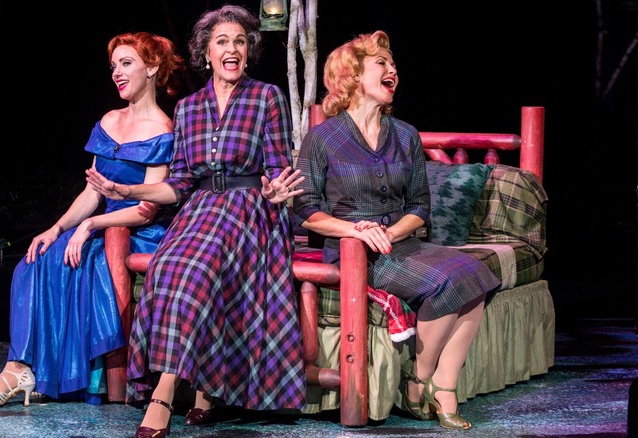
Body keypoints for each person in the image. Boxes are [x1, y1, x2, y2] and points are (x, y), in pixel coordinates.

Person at [86, 5, 305, 437]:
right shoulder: (188, 107)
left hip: (249, 209)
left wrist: (277, 191)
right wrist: (127, 192)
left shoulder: (266, 98)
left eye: (240, 42)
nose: (232, 49)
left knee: (197, 269)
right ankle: (205, 388)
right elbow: (179, 183)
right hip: (200, 209)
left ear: (248, 52)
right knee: (169, 268)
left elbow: (278, 168)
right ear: (206, 52)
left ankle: (163, 395)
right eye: (222, 41)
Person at [293, 30, 501, 431]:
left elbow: (420, 207)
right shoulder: (322, 139)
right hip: (355, 251)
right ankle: (427, 385)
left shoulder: (405, 134)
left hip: (399, 243)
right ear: (352, 75)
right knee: (446, 283)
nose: (393, 70)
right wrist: (355, 230)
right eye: (382, 64)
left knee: (477, 275)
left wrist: (394, 231)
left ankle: (434, 381)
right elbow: (304, 210)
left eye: (393, 64)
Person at [0, 31, 185, 408]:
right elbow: (92, 192)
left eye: (126, 64)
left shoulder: (165, 130)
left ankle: (48, 374)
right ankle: (22, 367)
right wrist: (57, 228)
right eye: (113, 66)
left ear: (152, 68)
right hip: (101, 227)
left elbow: (145, 208)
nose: (117, 73)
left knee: (86, 261)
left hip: (139, 232)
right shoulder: (108, 120)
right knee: (33, 260)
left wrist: (90, 227)